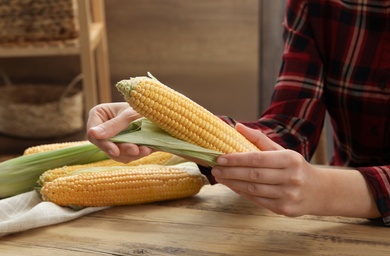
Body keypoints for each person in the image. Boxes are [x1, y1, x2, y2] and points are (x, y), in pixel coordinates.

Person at [87, 0, 389, 226]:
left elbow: (319, 187)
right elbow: (289, 129)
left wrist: (325, 190)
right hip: (343, 226)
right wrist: (168, 126)